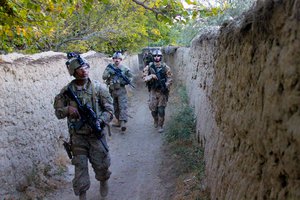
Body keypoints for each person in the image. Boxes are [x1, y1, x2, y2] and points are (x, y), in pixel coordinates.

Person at [53, 54, 114, 200]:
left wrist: (100, 121)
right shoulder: (66, 91)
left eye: (86, 67)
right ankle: (82, 195)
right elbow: (58, 112)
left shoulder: (99, 88)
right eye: (80, 68)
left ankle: (103, 181)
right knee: (80, 168)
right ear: (74, 72)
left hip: (95, 135)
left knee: (102, 165)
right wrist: (67, 110)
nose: (84, 70)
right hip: (78, 136)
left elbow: (110, 110)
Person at [142, 49, 173, 133]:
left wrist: (166, 85)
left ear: (161, 57)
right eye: (155, 56)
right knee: (153, 110)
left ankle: (160, 125)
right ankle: (155, 119)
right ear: (153, 57)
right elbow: (144, 78)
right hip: (153, 91)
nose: (156, 57)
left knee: (161, 110)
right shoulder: (149, 67)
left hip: (162, 91)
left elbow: (170, 78)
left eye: (158, 56)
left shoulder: (165, 67)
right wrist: (151, 76)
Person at [102, 51, 133, 132]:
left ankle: (123, 123)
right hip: (112, 91)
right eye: (115, 58)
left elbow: (131, 77)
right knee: (115, 108)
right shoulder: (109, 67)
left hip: (121, 90)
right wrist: (109, 71)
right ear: (113, 59)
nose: (117, 60)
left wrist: (124, 82)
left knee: (122, 106)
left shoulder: (124, 68)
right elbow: (104, 77)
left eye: (118, 59)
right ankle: (119, 122)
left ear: (121, 59)